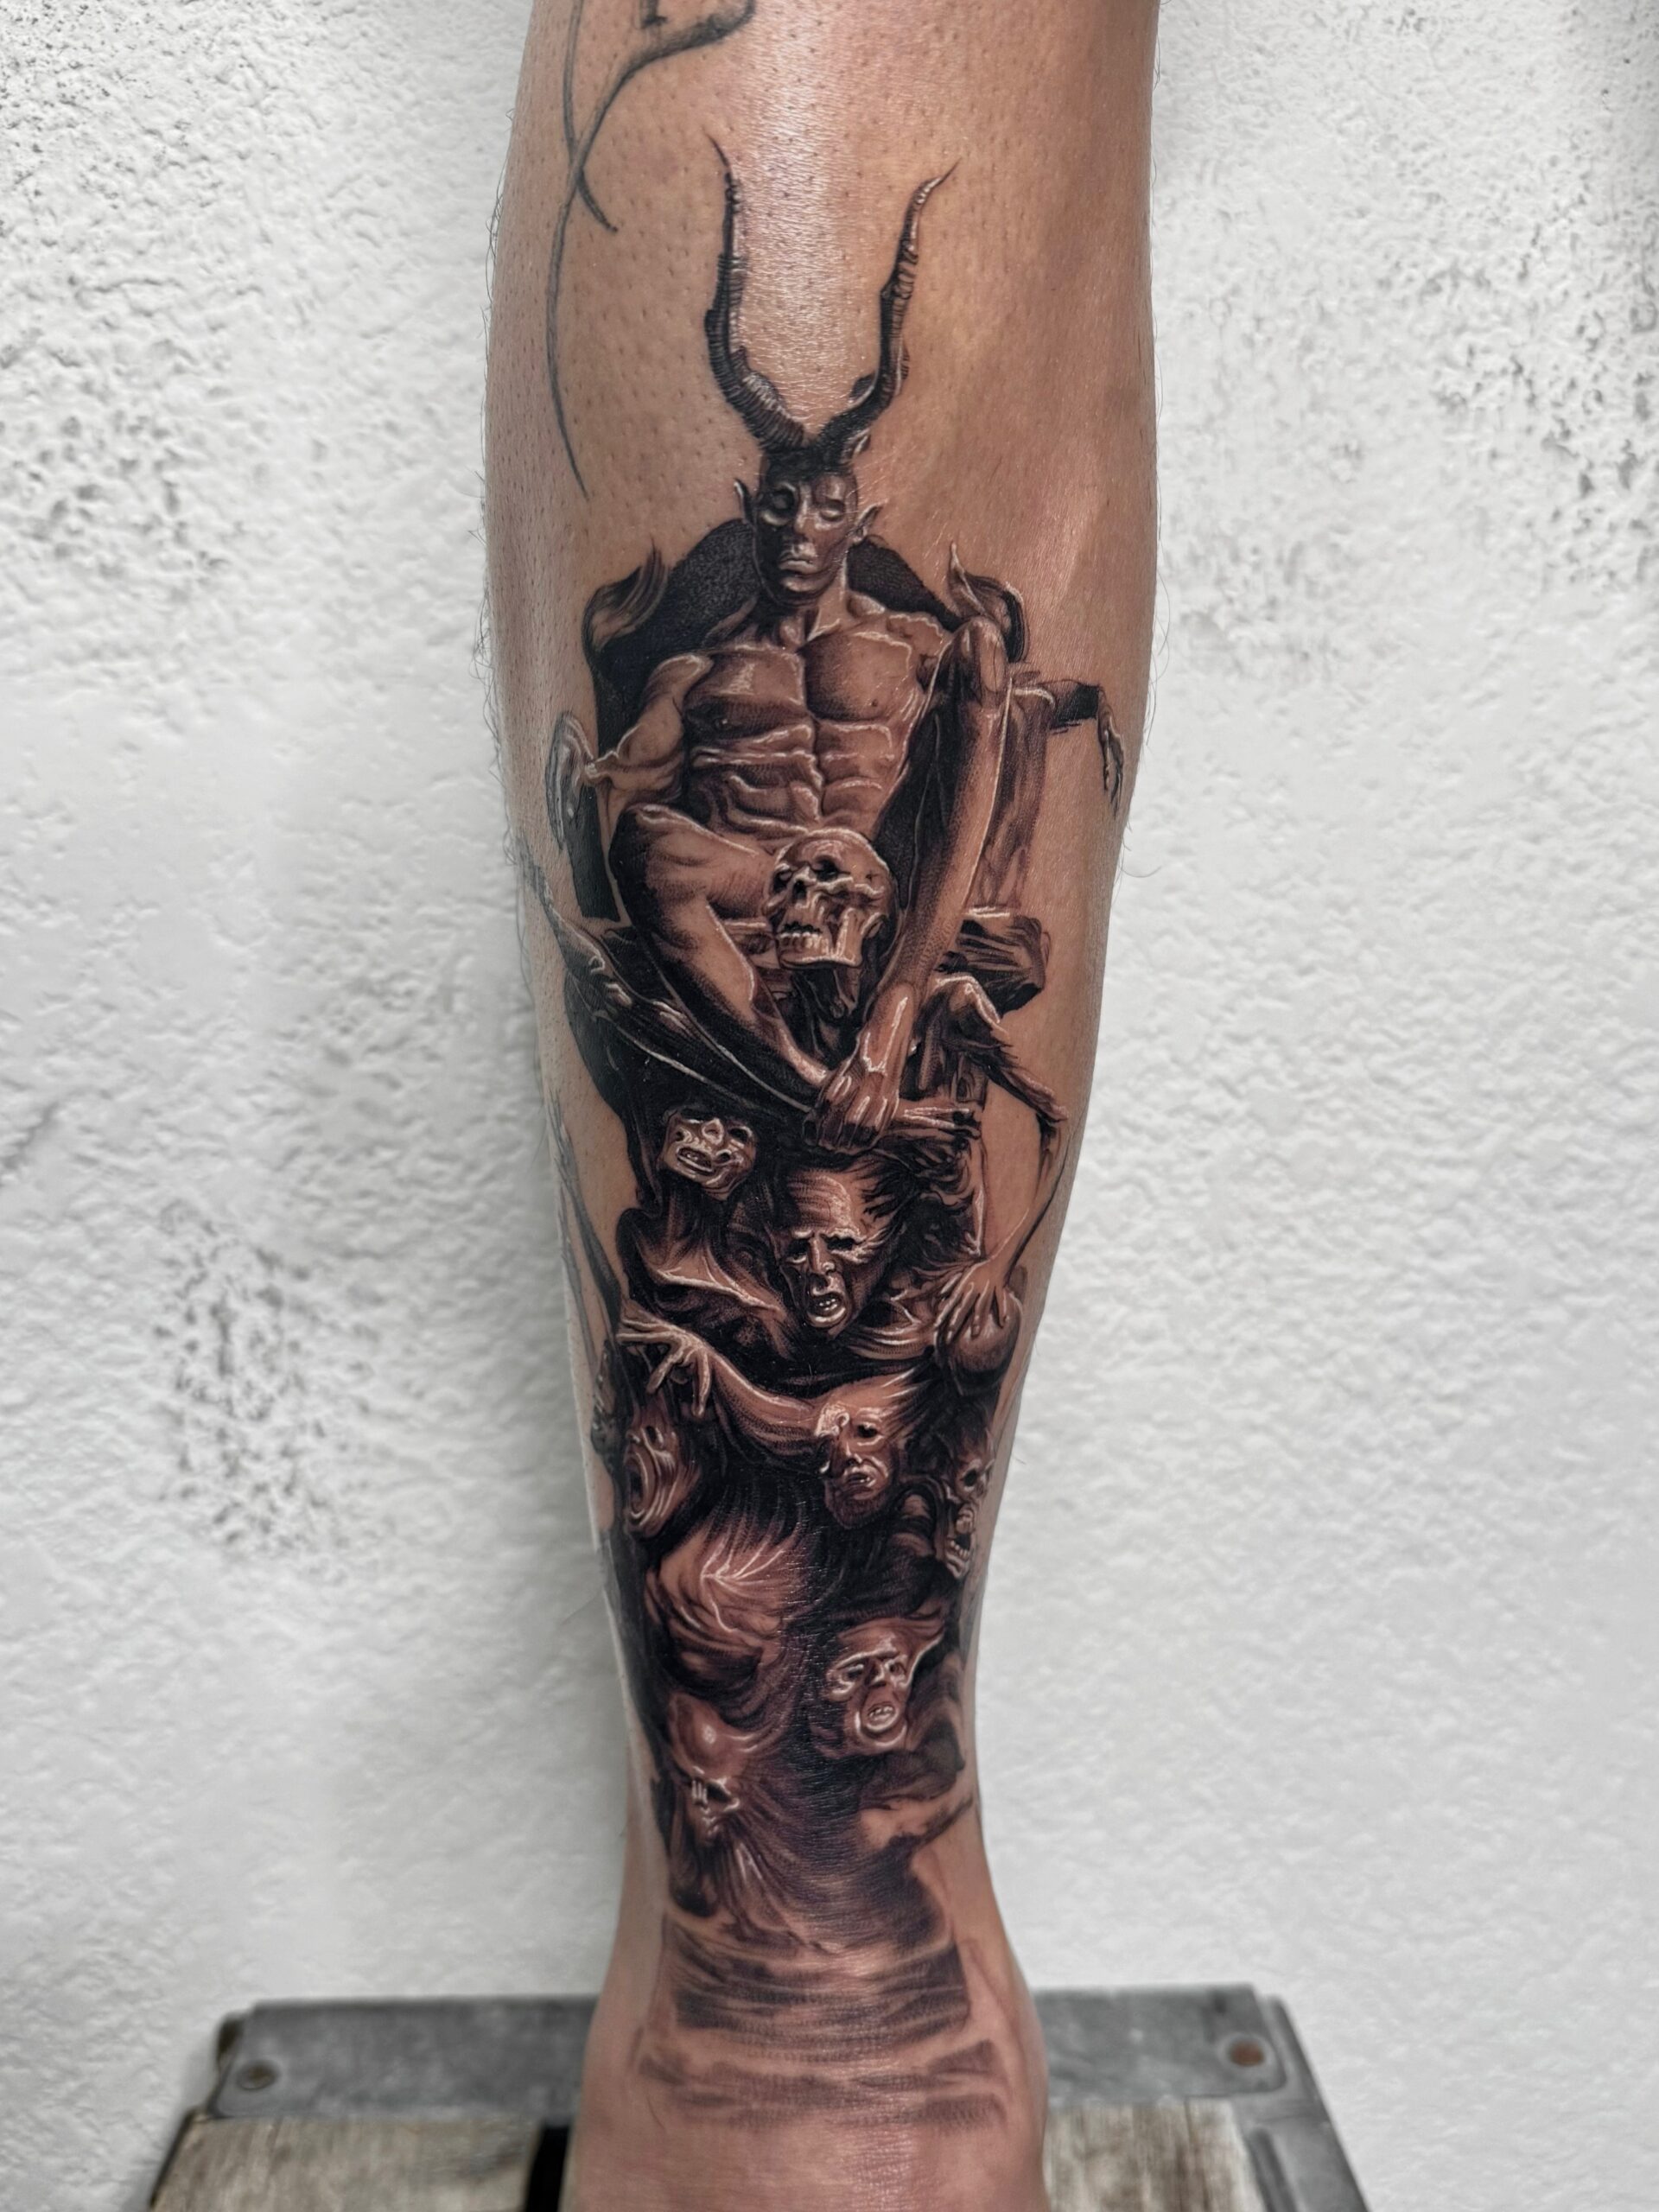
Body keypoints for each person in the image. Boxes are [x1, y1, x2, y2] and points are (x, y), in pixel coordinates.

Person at [485, 0, 1157, 2202]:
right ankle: (767, 2043)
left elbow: (975, 836)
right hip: (750, 1053)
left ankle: (784, 2035)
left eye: (827, 486)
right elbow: (641, 829)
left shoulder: (918, 661)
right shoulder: (695, 676)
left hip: (884, 1033)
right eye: (775, 486)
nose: (795, 515)